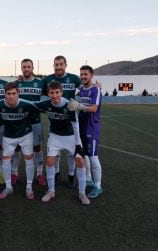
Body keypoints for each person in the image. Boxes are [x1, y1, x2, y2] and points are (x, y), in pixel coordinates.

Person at [34, 81, 90, 205]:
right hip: (55, 136)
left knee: (80, 161)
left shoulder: (69, 105)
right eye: (52, 93)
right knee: (50, 161)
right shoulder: (46, 103)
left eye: (57, 92)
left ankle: (82, 193)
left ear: (61, 92)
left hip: (70, 136)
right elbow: (32, 105)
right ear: (48, 93)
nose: (54, 95)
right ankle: (51, 191)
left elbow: (76, 125)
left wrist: (78, 144)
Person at [0, 82, 40, 200]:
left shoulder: (28, 105)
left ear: (18, 93)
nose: (11, 96)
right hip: (8, 135)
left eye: (14, 93)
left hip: (25, 134)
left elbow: (38, 113)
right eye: (8, 93)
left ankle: (29, 187)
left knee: (28, 158)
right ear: (4, 94)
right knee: (6, 159)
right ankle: (8, 187)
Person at [42, 55, 82, 187]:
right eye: (56, 64)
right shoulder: (48, 79)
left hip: (69, 115)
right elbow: (40, 92)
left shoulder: (74, 78)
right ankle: (57, 174)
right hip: (54, 118)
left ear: (65, 65)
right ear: (53, 65)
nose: (58, 67)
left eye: (61, 64)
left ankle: (71, 175)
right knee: (55, 152)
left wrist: (95, 86)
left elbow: (85, 90)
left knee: (71, 154)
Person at [68, 65, 103, 198]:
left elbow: (94, 108)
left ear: (91, 75)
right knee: (85, 155)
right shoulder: (81, 89)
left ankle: (98, 186)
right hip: (81, 127)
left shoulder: (96, 89)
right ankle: (88, 179)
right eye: (81, 74)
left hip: (92, 128)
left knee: (94, 158)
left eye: (85, 74)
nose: (83, 76)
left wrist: (79, 106)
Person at [14, 58, 47, 186]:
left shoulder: (40, 83)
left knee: (37, 147)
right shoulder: (17, 83)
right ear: (21, 68)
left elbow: (53, 93)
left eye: (29, 67)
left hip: (35, 121)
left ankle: (39, 174)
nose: (26, 69)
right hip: (19, 122)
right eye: (24, 67)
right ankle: (14, 173)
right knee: (16, 148)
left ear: (33, 68)